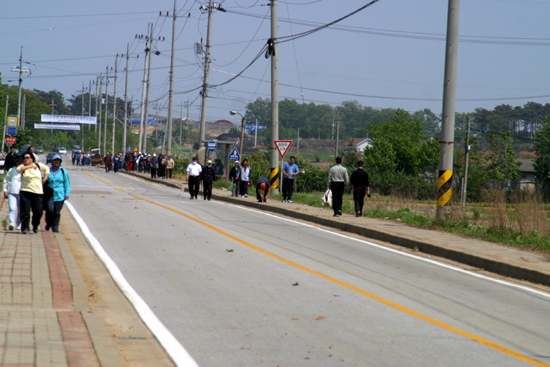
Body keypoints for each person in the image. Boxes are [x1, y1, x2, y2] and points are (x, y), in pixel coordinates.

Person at [17, 152, 50, 234]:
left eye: (27, 157)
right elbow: (19, 170)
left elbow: (47, 169)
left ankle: (35, 225)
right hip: (25, 191)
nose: (26, 159)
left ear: (32, 158)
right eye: (24, 158)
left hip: (37, 192)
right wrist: (30, 166)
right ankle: (25, 227)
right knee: (25, 211)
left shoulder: (38, 166)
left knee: (38, 211)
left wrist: (45, 178)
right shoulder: (22, 166)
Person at [45, 154, 71, 233]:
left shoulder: (63, 172)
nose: (56, 162)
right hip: (49, 194)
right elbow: (43, 180)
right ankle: (49, 222)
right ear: (52, 161)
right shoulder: (48, 170)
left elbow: (67, 183)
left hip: (60, 195)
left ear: (60, 162)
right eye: (55, 160)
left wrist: (67, 193)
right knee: (50, 210)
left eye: (58, 161)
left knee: (57, 212)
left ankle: (55, 226)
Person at [3, 155, 23, 230]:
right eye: (18, 162)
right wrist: (5, 190)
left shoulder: (25, 170)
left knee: (21, 209)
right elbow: (6, 180)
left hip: (22, 192)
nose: (19, 163)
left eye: (21, 162)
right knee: (12, 208)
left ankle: (19, 223)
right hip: (12, 192)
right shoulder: (12, 170)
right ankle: (11, 223)